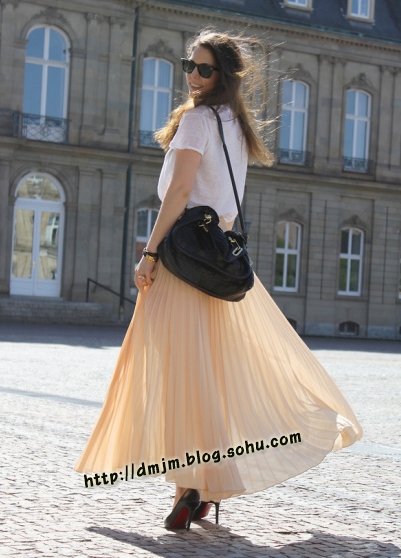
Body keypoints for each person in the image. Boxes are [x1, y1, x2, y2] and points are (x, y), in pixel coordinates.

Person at [75, 29, 362, 531]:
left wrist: (150, 253)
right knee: (206, 376)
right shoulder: (236, 125)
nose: (193, 75)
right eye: (189, 64)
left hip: (183, 262)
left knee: (173, 374)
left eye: (204, 68)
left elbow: (180, 190)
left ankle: (190, 486)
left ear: (223, 75)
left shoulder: (196, 120)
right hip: (217, 264)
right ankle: (202, 484)